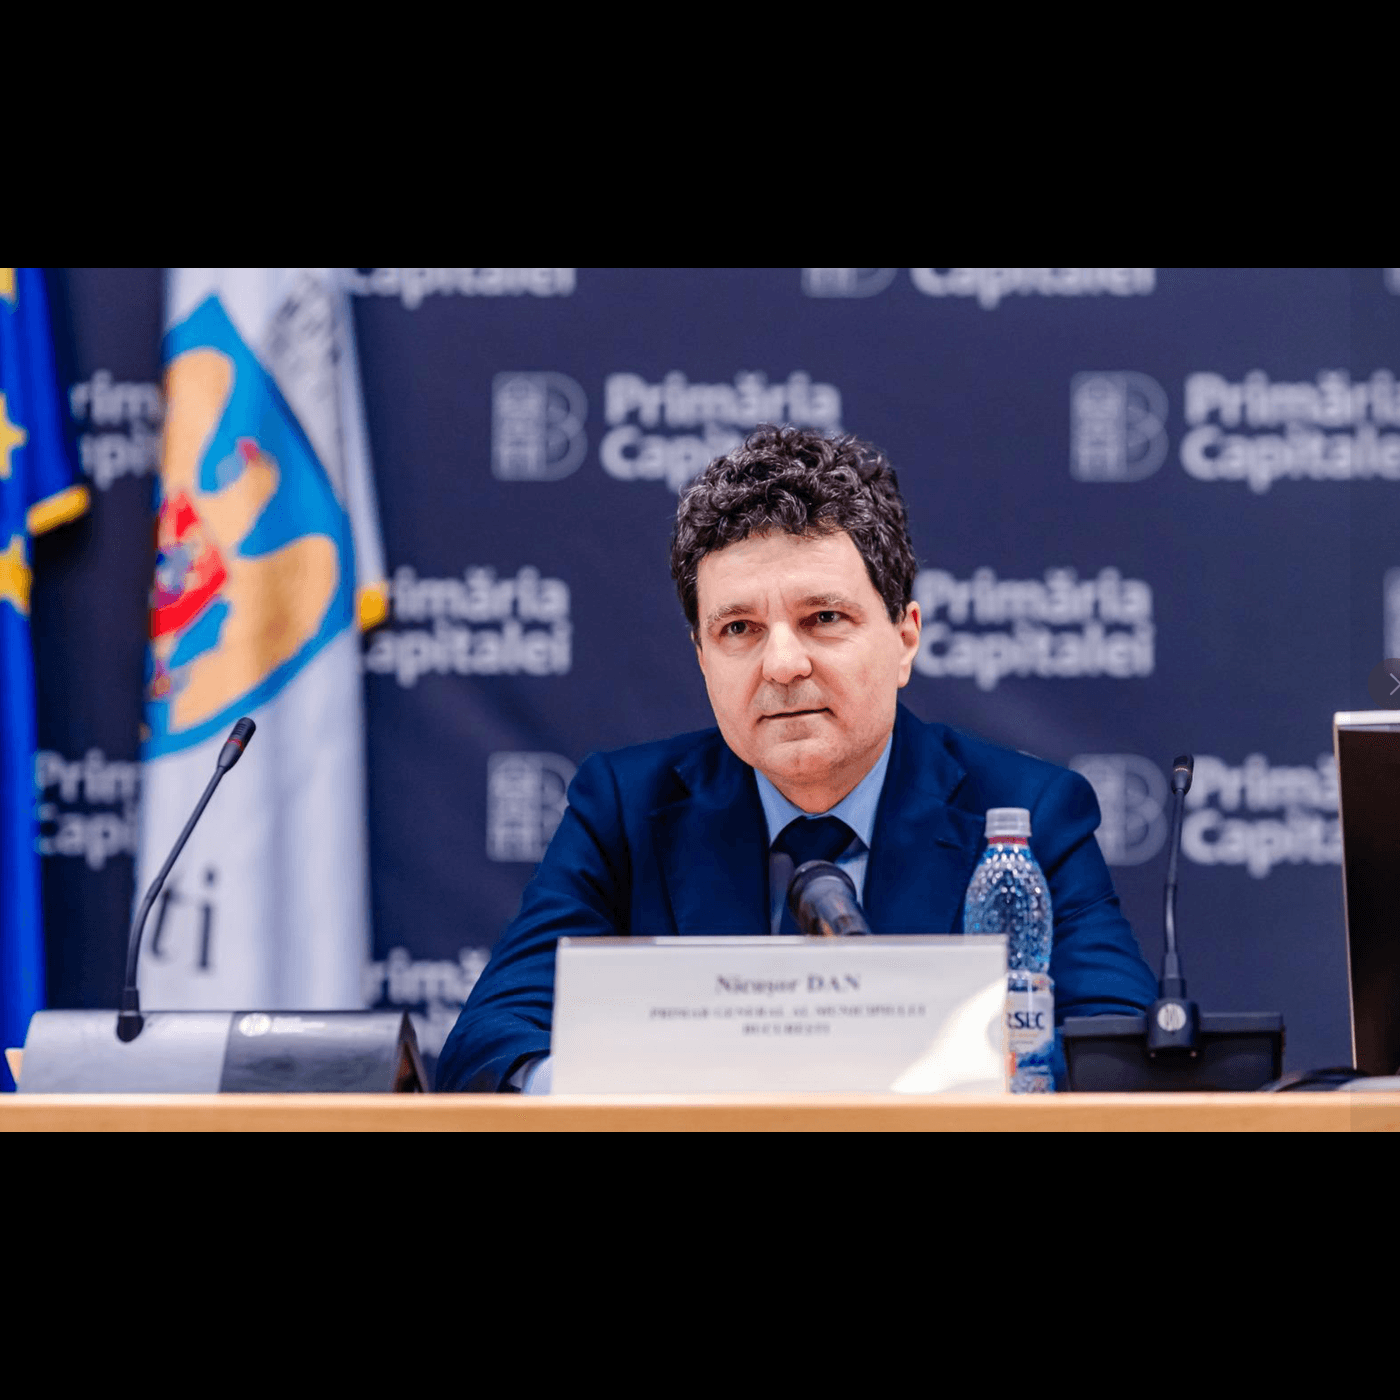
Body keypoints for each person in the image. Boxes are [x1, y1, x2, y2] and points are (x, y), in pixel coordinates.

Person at [436, 426, 1157, 1092]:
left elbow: (1120, 1059)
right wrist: (623, 1093)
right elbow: (489, 1044)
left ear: (904, 639)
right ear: (702, 656)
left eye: (824, 618)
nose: (782, 664)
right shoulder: (623, 811)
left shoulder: (1029, 812)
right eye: (739, 629)